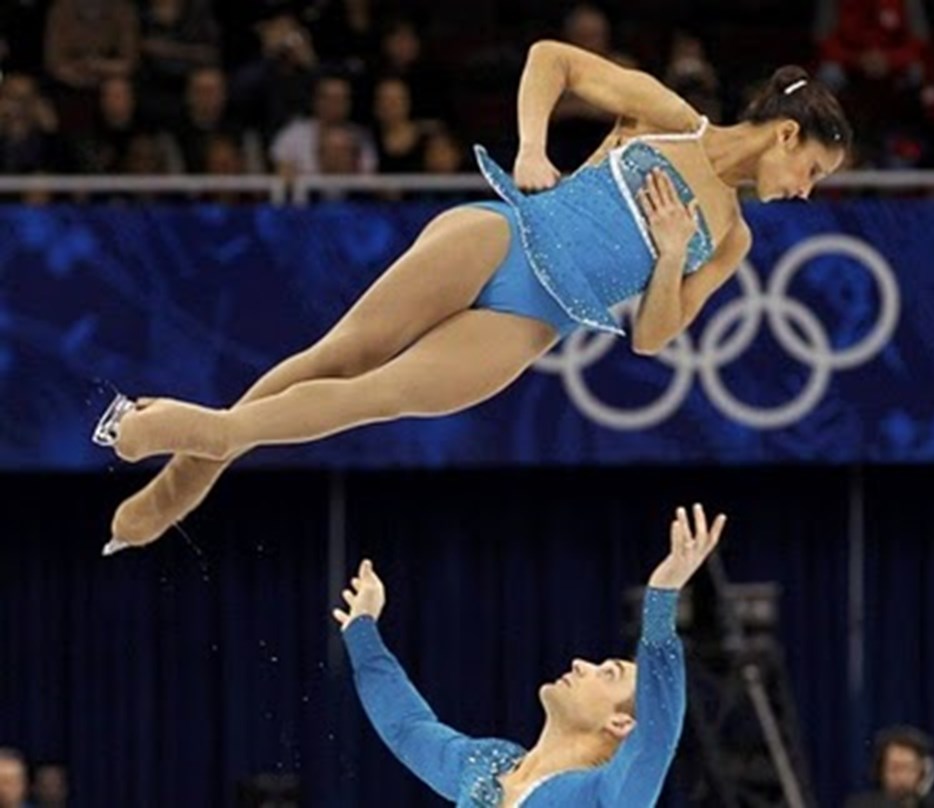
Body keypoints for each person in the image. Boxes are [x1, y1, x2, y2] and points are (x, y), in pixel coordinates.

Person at [93, 40, 851, 555]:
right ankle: (190, 473)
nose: (806, 192)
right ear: (785, 134)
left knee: (376, 395)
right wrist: (530, 147)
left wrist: (670, 252)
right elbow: (548, 59)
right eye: (813, 170)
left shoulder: (731, 239)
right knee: (343, 353)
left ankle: (216, 438)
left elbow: (654, 338)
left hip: (533, 319)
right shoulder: (668, 118)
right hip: (502, 233)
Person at [335, 503, 726, 806]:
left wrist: (662, 596)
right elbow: (407, 728)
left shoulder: (606, 796)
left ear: (622, 722)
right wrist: (362, 628)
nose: (581, 664)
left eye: (608, 674)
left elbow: (656, 741)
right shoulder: (486, 766)